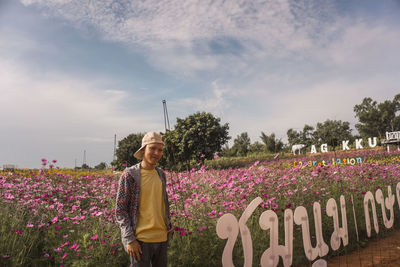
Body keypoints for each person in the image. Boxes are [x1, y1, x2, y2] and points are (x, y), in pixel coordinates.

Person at [116, 132, 172, 267]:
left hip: (162, 238)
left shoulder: (161, 174)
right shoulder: (130, 175)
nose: (156, 153)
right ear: (143, 150)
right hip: (140, 241)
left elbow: (162, 203)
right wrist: (129, 239)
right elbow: (120, 211)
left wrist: (168, 224)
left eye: (160, 150)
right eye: (152, 148)